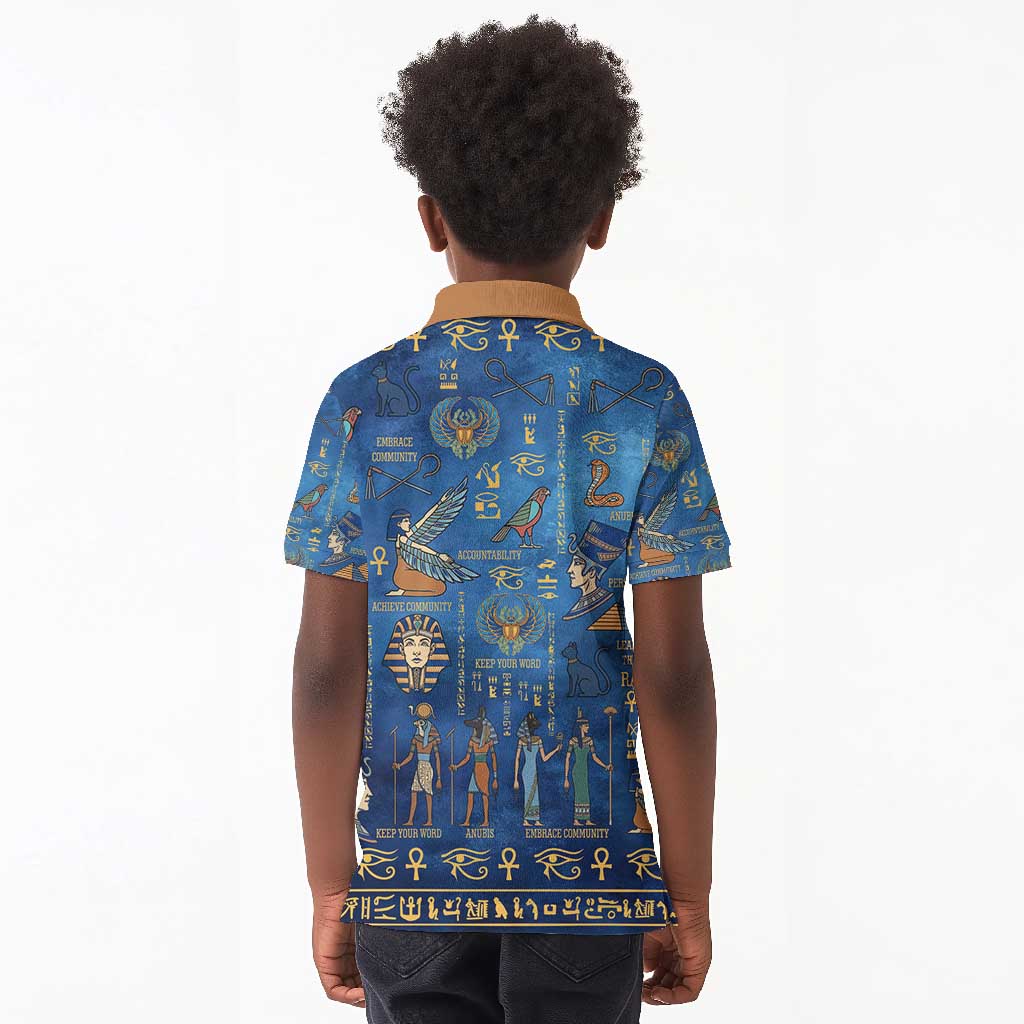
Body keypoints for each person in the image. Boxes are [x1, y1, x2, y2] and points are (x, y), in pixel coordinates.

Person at [285, 16, 731, 1023]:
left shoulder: (363, 401)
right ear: (602, 215)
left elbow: (325, 669)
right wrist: (688, 891)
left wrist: (330, 884)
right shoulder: (640, 400)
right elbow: (672, 675)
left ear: (430, 216)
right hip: (590, 888)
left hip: (408, 888)